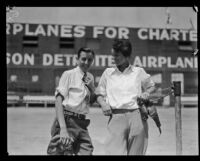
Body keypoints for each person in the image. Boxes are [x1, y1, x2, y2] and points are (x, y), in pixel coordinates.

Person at [96, 39, 156, 155]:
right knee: (113, 152)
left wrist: (146, 93)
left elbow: (151, 86)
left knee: (136, 153)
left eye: (117, 56)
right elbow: (99, 93)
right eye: (113, 55)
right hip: (116, 117)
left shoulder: (138, 72)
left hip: (137, 116)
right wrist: (103, 104)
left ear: (127, 56)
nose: (114, 58)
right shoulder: (108, 73)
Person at [47, 47, 96, 155]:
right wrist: (63, 128)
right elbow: (58, 101)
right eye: (83, 59)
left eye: (90, 60)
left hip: (82, 123)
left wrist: (92, 88)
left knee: (87, 151)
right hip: (67, 120)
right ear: (77, 59)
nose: (86, 62)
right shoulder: (68, 74)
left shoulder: (90, 77)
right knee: (61, 152)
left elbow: (91, 101)